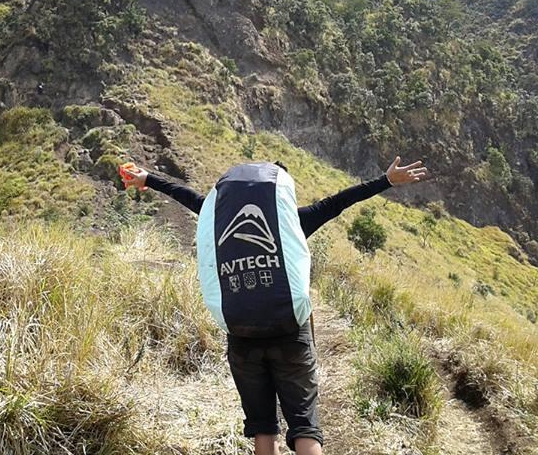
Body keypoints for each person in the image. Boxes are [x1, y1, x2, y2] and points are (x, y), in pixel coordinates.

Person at [123, 156, 429, 455]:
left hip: (241, 334)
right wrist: (387, 180)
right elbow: (340, 202)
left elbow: (184, 194)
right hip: (290, 333)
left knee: (263, 426)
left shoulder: (216, 216)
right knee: (304, 424)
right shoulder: (294, 221)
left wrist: (147, 178)